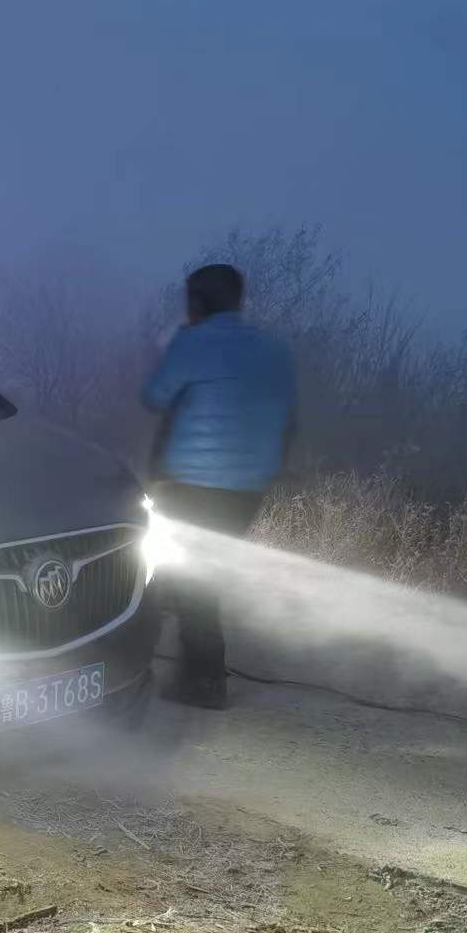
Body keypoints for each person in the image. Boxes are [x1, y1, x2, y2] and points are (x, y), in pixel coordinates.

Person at [142, 263, 295, 709]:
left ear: (199, 302)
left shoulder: (192, 342)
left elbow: (155, 396)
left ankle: (204, 683)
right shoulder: (272, 350)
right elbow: (285, 419)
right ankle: (194, 670)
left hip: (193, 483)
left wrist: (171, 348)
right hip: (247, 490)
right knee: (197, 579)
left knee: (189, 582)